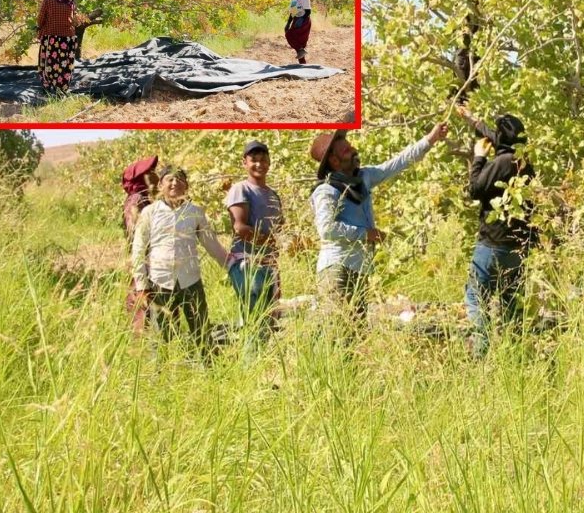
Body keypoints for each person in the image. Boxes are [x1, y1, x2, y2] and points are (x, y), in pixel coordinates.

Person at [309, 122, 449, 337]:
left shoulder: (363, 177)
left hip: (359, 268)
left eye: (351, 146)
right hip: (337, 269)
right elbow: (326, 229)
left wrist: (429, 140)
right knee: (338, 333)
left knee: (356, 333)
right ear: (334, 161)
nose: (354, 150)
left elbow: (396, 164)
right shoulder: (326, 191)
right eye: (346, 150)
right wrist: (365, 234)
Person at [455, 105, 537, 357]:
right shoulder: (523, 162)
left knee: (475, 298)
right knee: (511, 304)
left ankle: (480, 350)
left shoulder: (502, 162)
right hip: (518, 247)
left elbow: (475, 190)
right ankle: (513, 356)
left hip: (493, 246)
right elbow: (498, 137)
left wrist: (478, 157)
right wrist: (472, 120)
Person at [130, 167, 228, 357]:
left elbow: (212, 244)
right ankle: (158, 377)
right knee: (162, 336)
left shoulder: (195, 212)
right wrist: (141, 285)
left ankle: (207, 371)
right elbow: (138, 249)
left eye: (179, 179)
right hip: (160, 283)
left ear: (187, 185)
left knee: (200, 330)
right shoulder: (150, 212)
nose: (175, 183)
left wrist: (231, 265)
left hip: (191, 281)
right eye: (169, 179)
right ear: (160, 185)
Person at [224, 141, 285, 332]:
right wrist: (272, 241)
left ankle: (266, 361)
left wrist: (289, 242)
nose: (259, 164)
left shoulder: (273, 195)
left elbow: (281, 229)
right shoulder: (241, 189)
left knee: (270, 320)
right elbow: (240, 227)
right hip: (247, 262)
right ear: (245, 163)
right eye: (254, 160)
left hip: (269, 264)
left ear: (269, 162)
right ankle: (250, 359)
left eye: (263, 159)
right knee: (254, 321)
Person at [121, 155, 159, 336]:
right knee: (142, 307)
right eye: (150, 172)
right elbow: (139, 238)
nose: (155, 176)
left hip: (144, 261)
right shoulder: (138, 201)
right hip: (143, 262)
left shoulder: (141, 198)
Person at [36, 0, 83, 94]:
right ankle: (62, 86)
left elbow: (40, 19)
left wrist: (40, 27)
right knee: (64, 62)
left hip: (51, 37)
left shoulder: (48, 0)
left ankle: (49, 85)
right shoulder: (70, 1)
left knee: (50, 62)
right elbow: (74, 20)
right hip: (67, 38)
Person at [284, 0, 312, 64]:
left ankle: (302, 59)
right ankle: (302, 61)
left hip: (304, 20)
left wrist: (301, 20)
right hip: (296, 19)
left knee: (296, 39)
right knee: (290, 35)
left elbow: (308, 11)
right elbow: (292, 12)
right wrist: (288, 23)